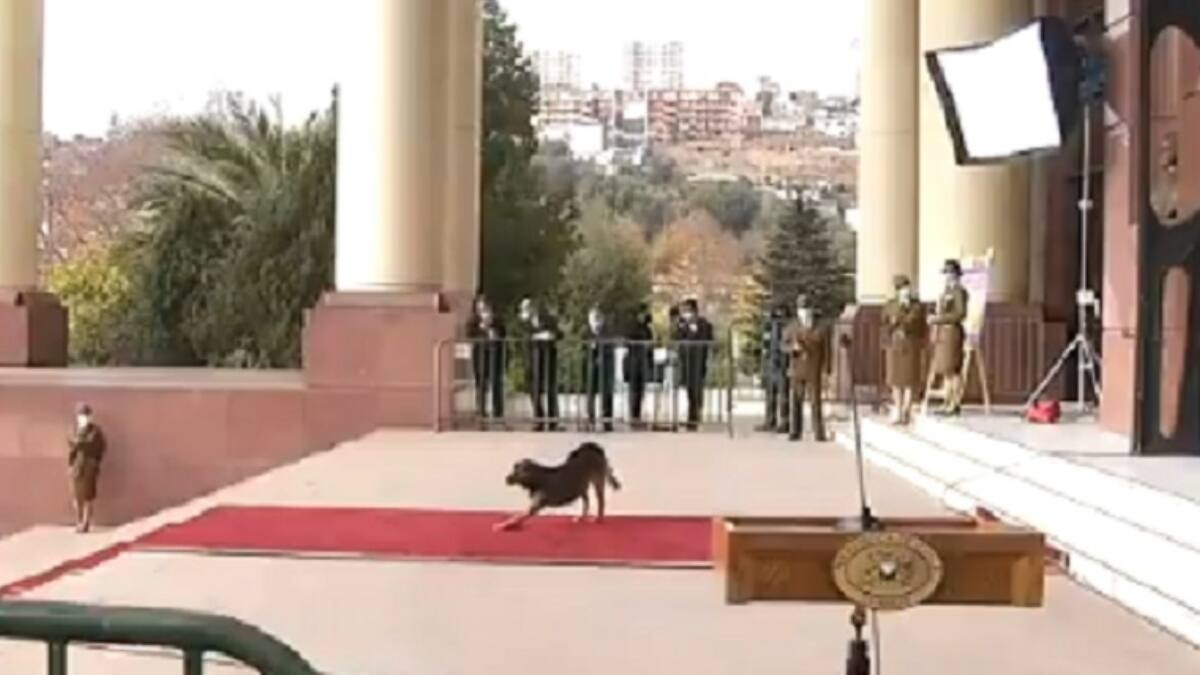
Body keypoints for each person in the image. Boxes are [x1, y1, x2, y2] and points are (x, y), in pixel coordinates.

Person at [783, 295, 831, 441]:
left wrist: (827, 368)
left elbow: (827, 349)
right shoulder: (792, 327)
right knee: (796, 401)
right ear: (798, 311)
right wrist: (792, 348)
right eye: (802, 309)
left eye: (807, 308)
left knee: (816, 401)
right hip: (797, 368)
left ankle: (819, 432)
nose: (805, 312)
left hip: (813, 368)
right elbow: (783, 345)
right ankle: (795, 431)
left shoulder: (820, 327)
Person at [882, 276, 926, 425]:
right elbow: (886, 323)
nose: (905, 291)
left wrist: (903, 312)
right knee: (895, 380)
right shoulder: (890, 305)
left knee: (909, 380)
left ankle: (906, 411)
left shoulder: (916, 306)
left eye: (907, 288)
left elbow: (914, 322)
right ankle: (898, 409)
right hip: (895, 345)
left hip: (910, 344)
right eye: (902, 289)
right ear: (897, 291)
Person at [930, 259, 969, 416]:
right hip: (943, 333)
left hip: (953, 332)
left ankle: (955, 402)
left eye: (949, 273)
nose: (947, 276)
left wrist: (939, 319)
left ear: (956, 274)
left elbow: (960, 313)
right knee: (946, 369)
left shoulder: (959, 292)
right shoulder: (946, 291)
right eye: (945, 273)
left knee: (953, 369)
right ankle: (946, 401)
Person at [519, 298, 562, 431]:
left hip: (548, 359)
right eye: (524, 308)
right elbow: (525, 336)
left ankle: (553, 420)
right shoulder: (524, 323)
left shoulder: (548, 319)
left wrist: (552, 335)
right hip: (532, 360)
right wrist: (540, 336)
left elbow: (559, 333)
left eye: (528, 307)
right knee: (535, 390)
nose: (527, 310)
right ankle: (539, 420)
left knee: (550, 389)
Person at [672, 298, 714, 431]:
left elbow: (708, 339)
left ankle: (695, 417)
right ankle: (692, 418)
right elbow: (677, 339)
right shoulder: (682, 324)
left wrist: (694, 330)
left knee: (697, 389)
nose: (685, 313)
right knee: (690, 390)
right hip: (686, 362)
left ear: (694, 310)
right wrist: (681, 328)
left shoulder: (704, 324)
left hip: (698, 361)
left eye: (687, 310)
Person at [467, 295, 506, 426]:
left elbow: (503, 333)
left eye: (485, 307)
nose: (483, 311)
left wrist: (492, 329)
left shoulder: (497, 320)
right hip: (480, 355)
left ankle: (498, 413)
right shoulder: (473, 321)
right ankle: (481, 412)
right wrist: (482, 328)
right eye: (480, 308)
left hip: (495, 354)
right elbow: (470, 334)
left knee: (496, 383)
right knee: (481, 384)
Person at [67, 403, 106, 533]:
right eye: (81, 415)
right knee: (76, 496)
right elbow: (71, 444)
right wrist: (71, 465)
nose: (83, 418)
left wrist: (79, 443)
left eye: (86, 415)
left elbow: (93, 445)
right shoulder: (74, 429)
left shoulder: (95, 431)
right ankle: (78, 521)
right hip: (77, 466)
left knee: (88, 496)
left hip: (89, 466)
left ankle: (85, 523)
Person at [758, 302, 792, 433]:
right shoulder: (769, 325)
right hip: (771, 363)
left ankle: (784, 422)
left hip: (783, 363)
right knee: (770, 394)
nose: (777, 315)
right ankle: (770, 420)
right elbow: (766, 342)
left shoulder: (787, 326)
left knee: (783, 395)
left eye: (780, 312)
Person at [582, 306, 616, 432]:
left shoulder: (606, 331)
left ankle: (607, 420)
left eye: (597, 318)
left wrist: (597, 345)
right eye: (592, 318)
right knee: (590, 393)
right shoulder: (586, 332)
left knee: (606, 393)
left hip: (605, 367)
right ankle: (590, 419)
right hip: (591, 366)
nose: (595, 321)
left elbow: (608, 345)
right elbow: (584, 347)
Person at [623, 304, 654, 429]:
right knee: (634, 391)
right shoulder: (632, 328)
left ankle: (638, 416)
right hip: (634, 362)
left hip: (643, 362)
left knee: (640, 391)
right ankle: (633, 417)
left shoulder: (647, 329)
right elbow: (628, 342)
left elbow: (650, 344)